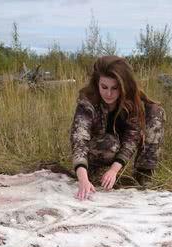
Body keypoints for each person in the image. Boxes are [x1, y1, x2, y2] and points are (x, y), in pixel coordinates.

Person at [70, 56, 165, 200]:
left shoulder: (132, 100)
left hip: (121, 150)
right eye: (104, 87)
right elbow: (79, 140)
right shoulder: (87, 102)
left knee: (156, 111)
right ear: (97, 83)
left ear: (123, 86)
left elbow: (132, 138)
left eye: (115, 88)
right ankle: (96, 173)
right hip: (101, 149)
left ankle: (143, 175)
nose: (109, 94)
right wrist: (83, 179)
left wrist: (114, 169)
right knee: (109, 143)